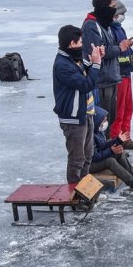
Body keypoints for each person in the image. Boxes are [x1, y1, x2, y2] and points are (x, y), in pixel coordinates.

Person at [53, 25, 102, 184]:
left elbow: (86, 70)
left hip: (86, 114)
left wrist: (95, 59)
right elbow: (86, 84)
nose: (82, 44)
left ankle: (85, 191)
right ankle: (75, 196)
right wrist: (96, 65)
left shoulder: (74, 58)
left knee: (88, 155)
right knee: (77, 159)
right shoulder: (63, 65)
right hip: (73, 119)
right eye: (80, 41)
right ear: (72, 43)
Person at [82, 0, 133, 135]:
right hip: (100, 81)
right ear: (104, 7)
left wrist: (122, 47)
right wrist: (120, 48)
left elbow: (107, 48)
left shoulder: (105, 25)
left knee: (110, 119)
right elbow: (98, 52)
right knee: (101, 121)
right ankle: (100, 152)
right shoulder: (91, 25)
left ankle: (111, 149)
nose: (114, 11)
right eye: (112, 7)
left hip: (111, 77)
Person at [90, 107, 133, 191]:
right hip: (89, 165)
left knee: (120, 153)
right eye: (103, 120)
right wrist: (111, 150)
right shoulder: (89, 136)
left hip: (96, 159)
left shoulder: (98, 131)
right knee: (110, 161)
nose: (105, 122)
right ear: (96, 121)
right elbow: (94, 157)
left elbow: (103, 144)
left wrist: (118, 140)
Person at [109, 0, 133, 149]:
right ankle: (116, 143)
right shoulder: (109, 30)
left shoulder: (119, 28)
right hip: (118, 76)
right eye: (121, 13)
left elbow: (125, 50)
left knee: (128, 108)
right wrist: (129, 59)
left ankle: (125, 138)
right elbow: (113, 56)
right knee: (118, 111)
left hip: (126, 73)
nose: (123, 16)